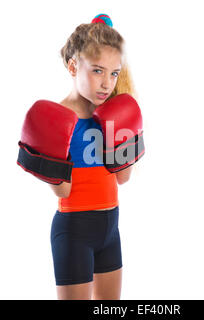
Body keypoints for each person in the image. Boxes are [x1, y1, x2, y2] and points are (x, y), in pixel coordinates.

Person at [16, 13, 144, 300]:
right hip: (74, 231)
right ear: (74, 66)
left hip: (111, 229)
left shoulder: (112, 116)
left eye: (114, 73)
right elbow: (64, 190)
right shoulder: (57, 119)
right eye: (97, 71)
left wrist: (127, 129)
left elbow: (122, 177)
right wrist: (48, 156)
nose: (107, 84)